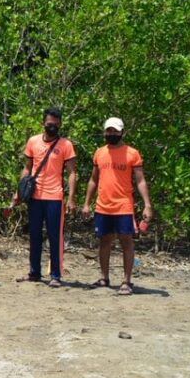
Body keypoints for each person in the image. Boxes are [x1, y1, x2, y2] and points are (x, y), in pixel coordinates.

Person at [81, 117, 154, 296]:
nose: (111, 134)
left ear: (122, 132)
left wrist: (147, 204)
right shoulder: (99, 152)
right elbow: (93, 179)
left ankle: (127, 281)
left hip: (123, 206)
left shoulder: (132, 153)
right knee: (104, 241)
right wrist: (86, 203)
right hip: (103, 206)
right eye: (109, 131)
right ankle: (104, 278)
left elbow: (140, 180)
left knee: (126, 242)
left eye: (115, 131)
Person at [12, 107, 78, 287]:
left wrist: (71, 198)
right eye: (50, 124)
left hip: (55, 197)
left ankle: (55, 275)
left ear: (60, 124)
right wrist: (19, 191)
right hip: (35, 196)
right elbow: (27, 167)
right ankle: (34, 272)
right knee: (34, 235)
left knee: (55, 236)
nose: (53, 127)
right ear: (43, 123)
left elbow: (72, 172)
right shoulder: (33, 141)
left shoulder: (66, 145)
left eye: (56, 124)